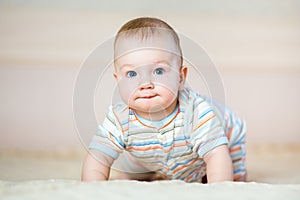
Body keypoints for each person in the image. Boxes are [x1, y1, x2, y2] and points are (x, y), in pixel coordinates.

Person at [82, 17, 246, 183]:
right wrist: (93, 188)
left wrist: (220, 188)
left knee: (232, 175)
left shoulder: (195, 112)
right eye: (132, 74)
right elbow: (98, 156)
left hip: (226, 134)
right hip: (158, 150)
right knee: (138, 159)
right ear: (118, 80)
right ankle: (145, 173)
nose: (145, 84)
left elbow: (216, 154)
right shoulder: (119, 119)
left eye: (158, 71)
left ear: (181, 77)